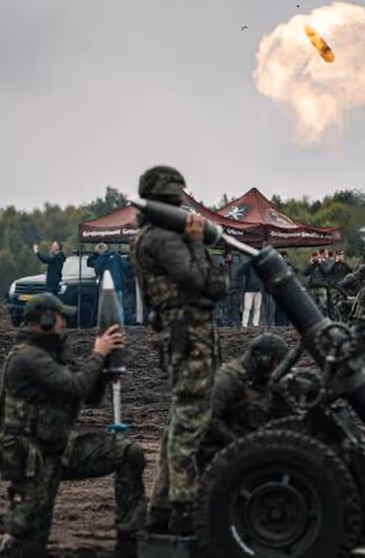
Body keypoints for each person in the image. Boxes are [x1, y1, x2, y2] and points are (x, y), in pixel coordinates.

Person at [0, 294, 145, 557]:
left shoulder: (50, 355)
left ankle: (130, 539)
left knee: (128, 454)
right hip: (34, 459)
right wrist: (98, 354)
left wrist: (106, 367)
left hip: (60, 448)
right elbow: (75, 387)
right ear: (45, 320)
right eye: (60, 318)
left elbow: (89, 395)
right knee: (26, 548)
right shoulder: (28, 358)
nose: (63, 323)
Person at [130, 165, 228, 535]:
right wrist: (197, 243)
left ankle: (161, 508)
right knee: (190, 422)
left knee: (180, 420)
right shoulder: (163, 240)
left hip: (183, 335)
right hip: (190, 337)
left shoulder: (146, 237)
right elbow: (205, 281)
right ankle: (182, 510)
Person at [198, 334, 292, 468]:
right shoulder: (228, 379)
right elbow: (209, 419)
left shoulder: (262, 383)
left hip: (244, 453)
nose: (277, 371)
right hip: (218, 454)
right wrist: (240, 445)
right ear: (264, 360)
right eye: (276, 364)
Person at [238, 255, 263, 328]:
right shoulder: (248, 265)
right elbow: (242, 270)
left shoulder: (260, 266)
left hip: (258, 290)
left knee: (257, 308)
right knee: (247, 308)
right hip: (248, 290)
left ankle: (255, 323)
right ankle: (244, 323)